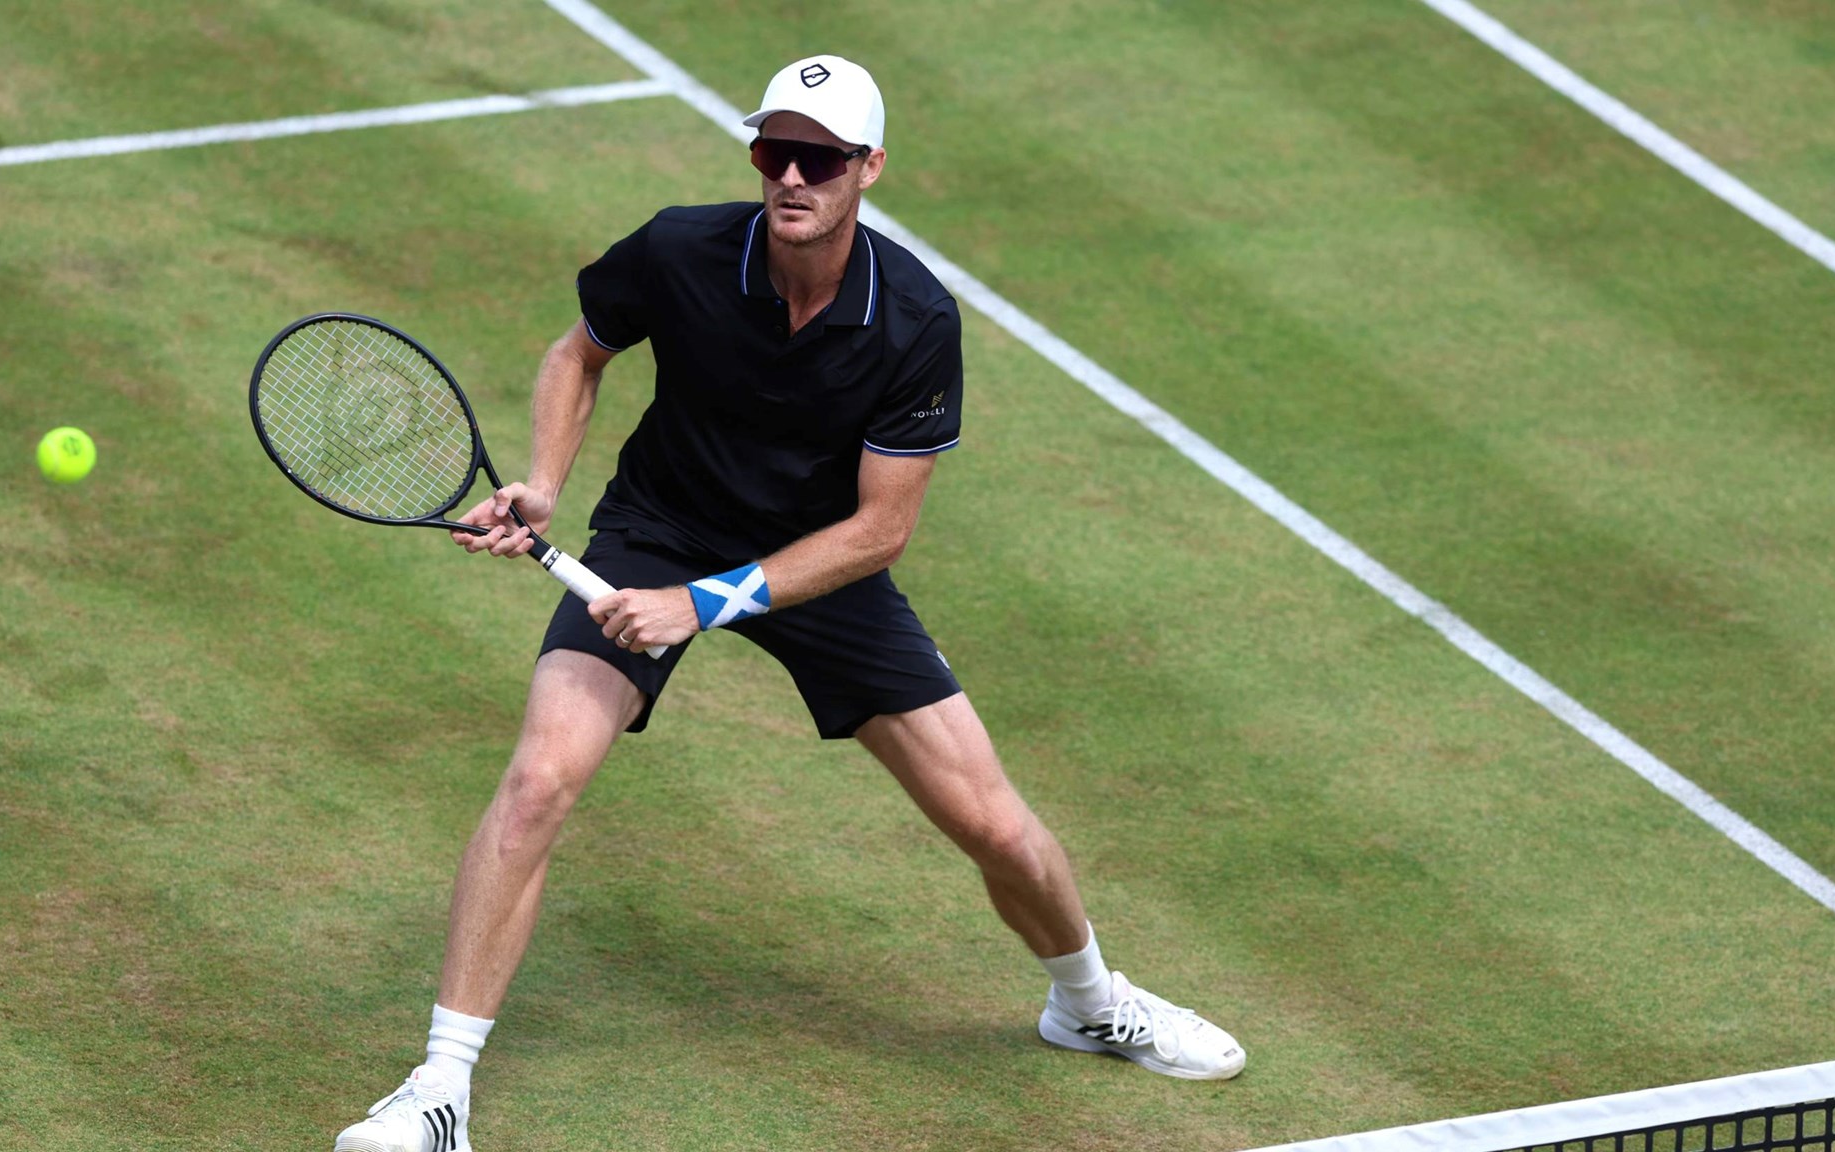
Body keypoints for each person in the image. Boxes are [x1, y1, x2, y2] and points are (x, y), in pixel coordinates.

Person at [332, 54, 1244, 1152]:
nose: (790, 176)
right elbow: (580, 355)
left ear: (867, 169)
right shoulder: (680, 249)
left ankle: (1090, 1005)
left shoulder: (913, 319)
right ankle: (439, 1089)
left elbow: (879, 531)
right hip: (656, 526)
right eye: (774, 152)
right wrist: (544, 484)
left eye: (817, 157)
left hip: (818, 560)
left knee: (992, 823)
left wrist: (702, 604)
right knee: (538, 779)